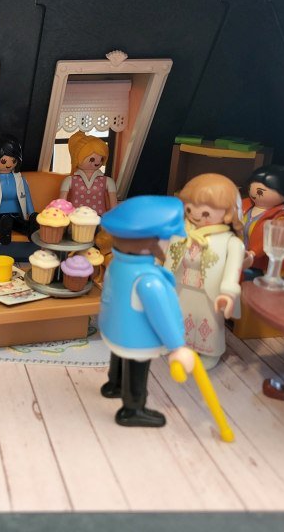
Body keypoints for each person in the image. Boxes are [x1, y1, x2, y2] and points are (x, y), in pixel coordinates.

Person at [99, 196, 195, 428]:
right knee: (137, 369)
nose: (171, 244)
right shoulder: (148, 280)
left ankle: (114, 384)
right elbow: (162, 317)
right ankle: (132, 408)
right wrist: (177, 347)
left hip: (115, 330)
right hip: (137, 338)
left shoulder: (116, 264)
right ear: (152, 242)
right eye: (168, 238)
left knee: (119, 356)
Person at [165, 174, 246, 370]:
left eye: (206, 213)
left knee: (208, 322)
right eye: (189, 209)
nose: (195, 215)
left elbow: (232, 273)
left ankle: (210, 352)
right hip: (183, 288)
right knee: (182, 317)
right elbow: (168, 258)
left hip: (210, 293)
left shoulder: (231, 242)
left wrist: (228, 292)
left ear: (229, 213)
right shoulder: (181, 233)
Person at [241, 164, 284, 277]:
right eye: (250, 188)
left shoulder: (281, 218)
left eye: (260, 192)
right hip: (239, 256)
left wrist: (253, 253)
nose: (253, 193)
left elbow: (272, 241)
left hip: (261, 266)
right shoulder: (244, 205)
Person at [58, 131, 117, 215]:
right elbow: (61, 205)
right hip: (75, 219)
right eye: (92, 159)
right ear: (77, 158)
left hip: (99, 218)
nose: (97, 162)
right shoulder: (69, 180)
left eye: (101, 159)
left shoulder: (108, 181)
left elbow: (114, 207)